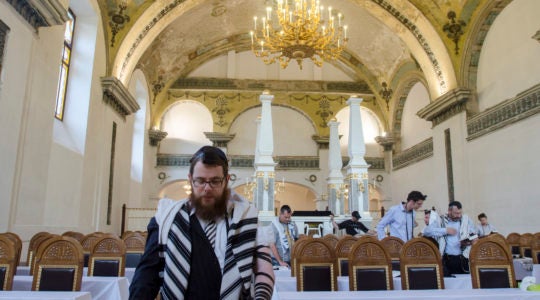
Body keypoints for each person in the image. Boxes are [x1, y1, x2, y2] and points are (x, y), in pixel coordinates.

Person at [129, 146, 274, 299]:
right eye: (200, 181)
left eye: (215, 181)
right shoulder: (166, 218)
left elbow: (264, 270)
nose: (207, 188)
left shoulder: (247, 217)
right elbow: (147, 273)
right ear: (190, 179)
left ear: (226, 180)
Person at [424, 201, 477, 276]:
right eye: (456, 213)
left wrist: (471, 240)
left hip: (463, 258)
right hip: (446, 259)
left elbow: (474, 235)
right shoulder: (440, 220)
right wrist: (445, 230)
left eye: (460, 213)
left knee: (464, 282)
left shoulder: (466, 220)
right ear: (449, 211)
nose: (459, 215)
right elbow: (426, 231)